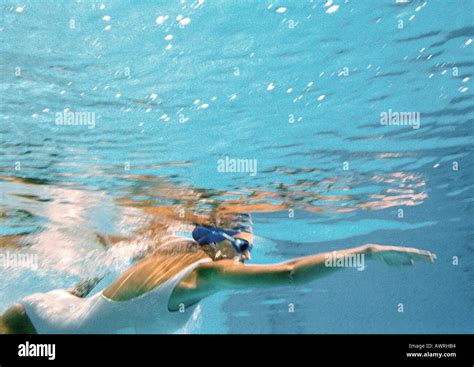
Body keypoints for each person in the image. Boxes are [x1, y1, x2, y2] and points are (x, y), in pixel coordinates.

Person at [0, 223, 436, 334]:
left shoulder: (173, 265)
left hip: (45, 313)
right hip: (40, 328)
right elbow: (288, 275)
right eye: (244, 248)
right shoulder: (201, 275)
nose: (246, 258)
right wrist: (368, 252)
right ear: (220, 246)